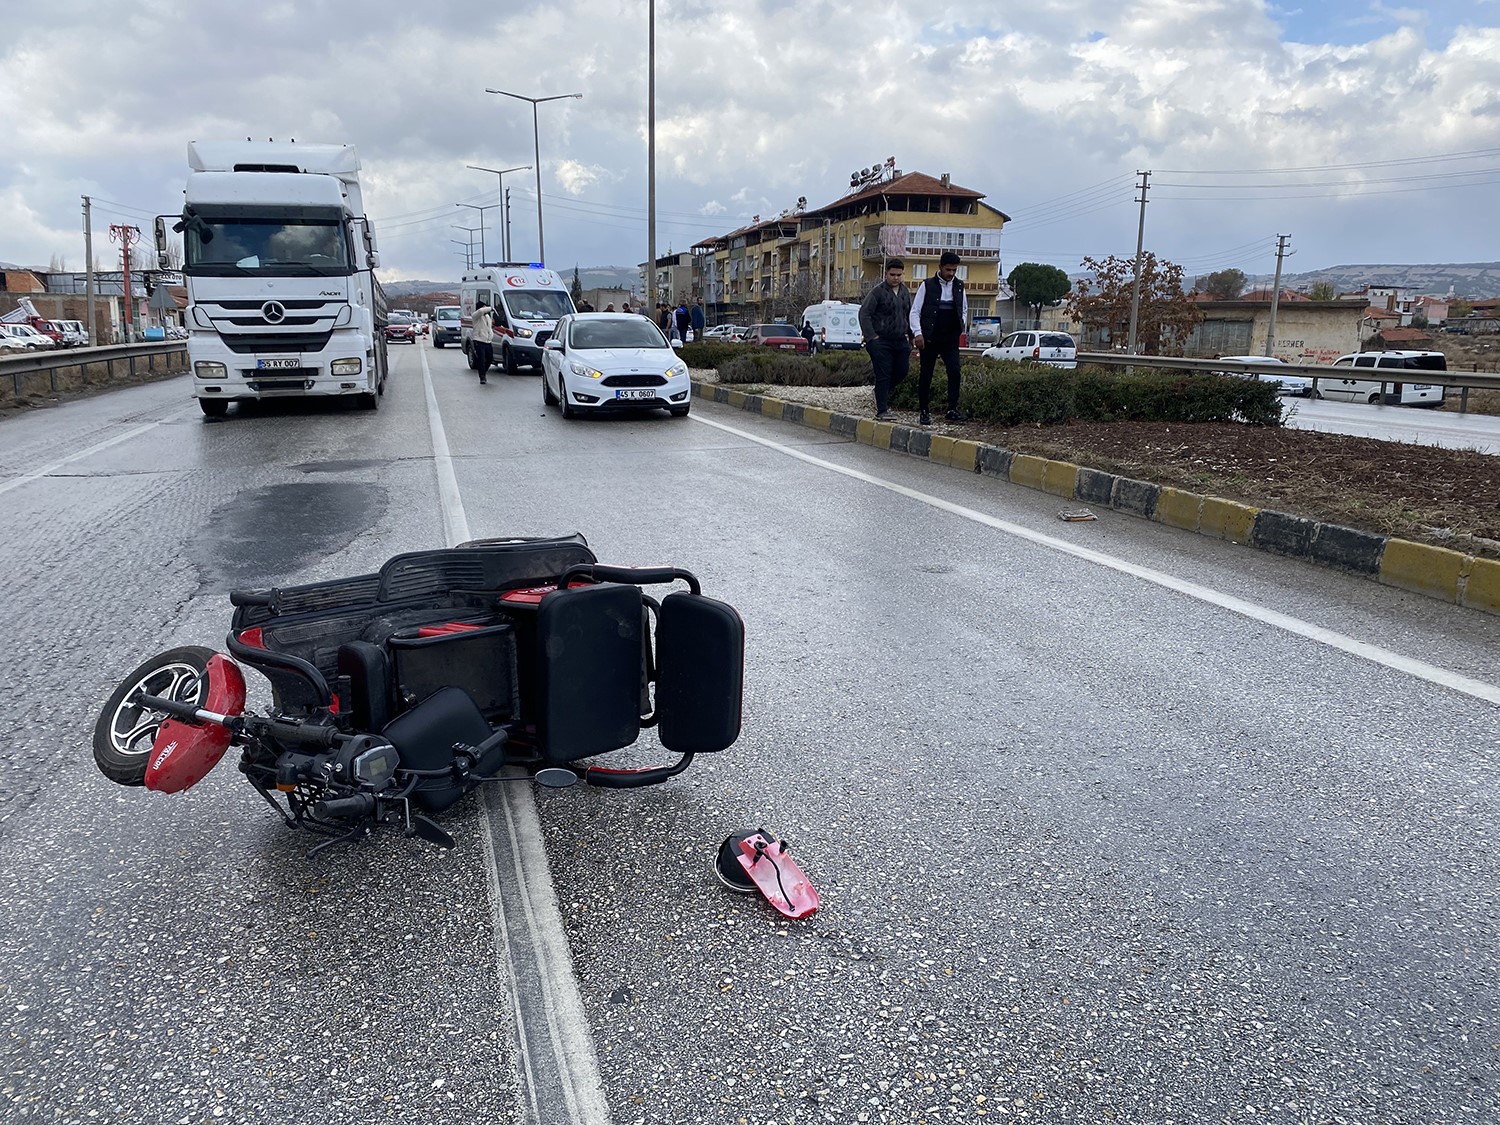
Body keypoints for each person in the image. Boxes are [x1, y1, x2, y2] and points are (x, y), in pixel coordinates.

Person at [910, 251, 969, 425]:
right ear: (940, 267)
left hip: (949, 339)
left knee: (955, 371)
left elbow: (963, 309)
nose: (951, 274)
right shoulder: (927, 285)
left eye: (954, 270)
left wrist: (961, 326)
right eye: (948, 269)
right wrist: (918, 333)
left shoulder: (959, 286)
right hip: (929, 338)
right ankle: (924, 411)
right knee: (926, 375)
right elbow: (915, 311)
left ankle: (952, 409)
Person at [858, 258, 914, 422]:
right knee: (884, 373)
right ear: (886, 274)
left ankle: (879, 393)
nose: (895, 278)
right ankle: (882, 410)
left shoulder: (904, 292)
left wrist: (911, 336)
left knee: (902, 371)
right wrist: (871, 337)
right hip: (880, 340)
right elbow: (864, 313)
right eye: (892, 274)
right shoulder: (877, 292)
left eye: (898, 274)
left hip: (900, 340)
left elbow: (908, 315)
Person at [471, 298, 496, 385]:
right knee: (481, 359)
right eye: (485, 307)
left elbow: (489, 328)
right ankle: (482, 377)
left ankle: (483, 372)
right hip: (479, 340)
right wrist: (491, 308)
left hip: (488, 341)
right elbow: (481, 311)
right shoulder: (476, 316)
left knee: (489, 359)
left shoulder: (487, 317)